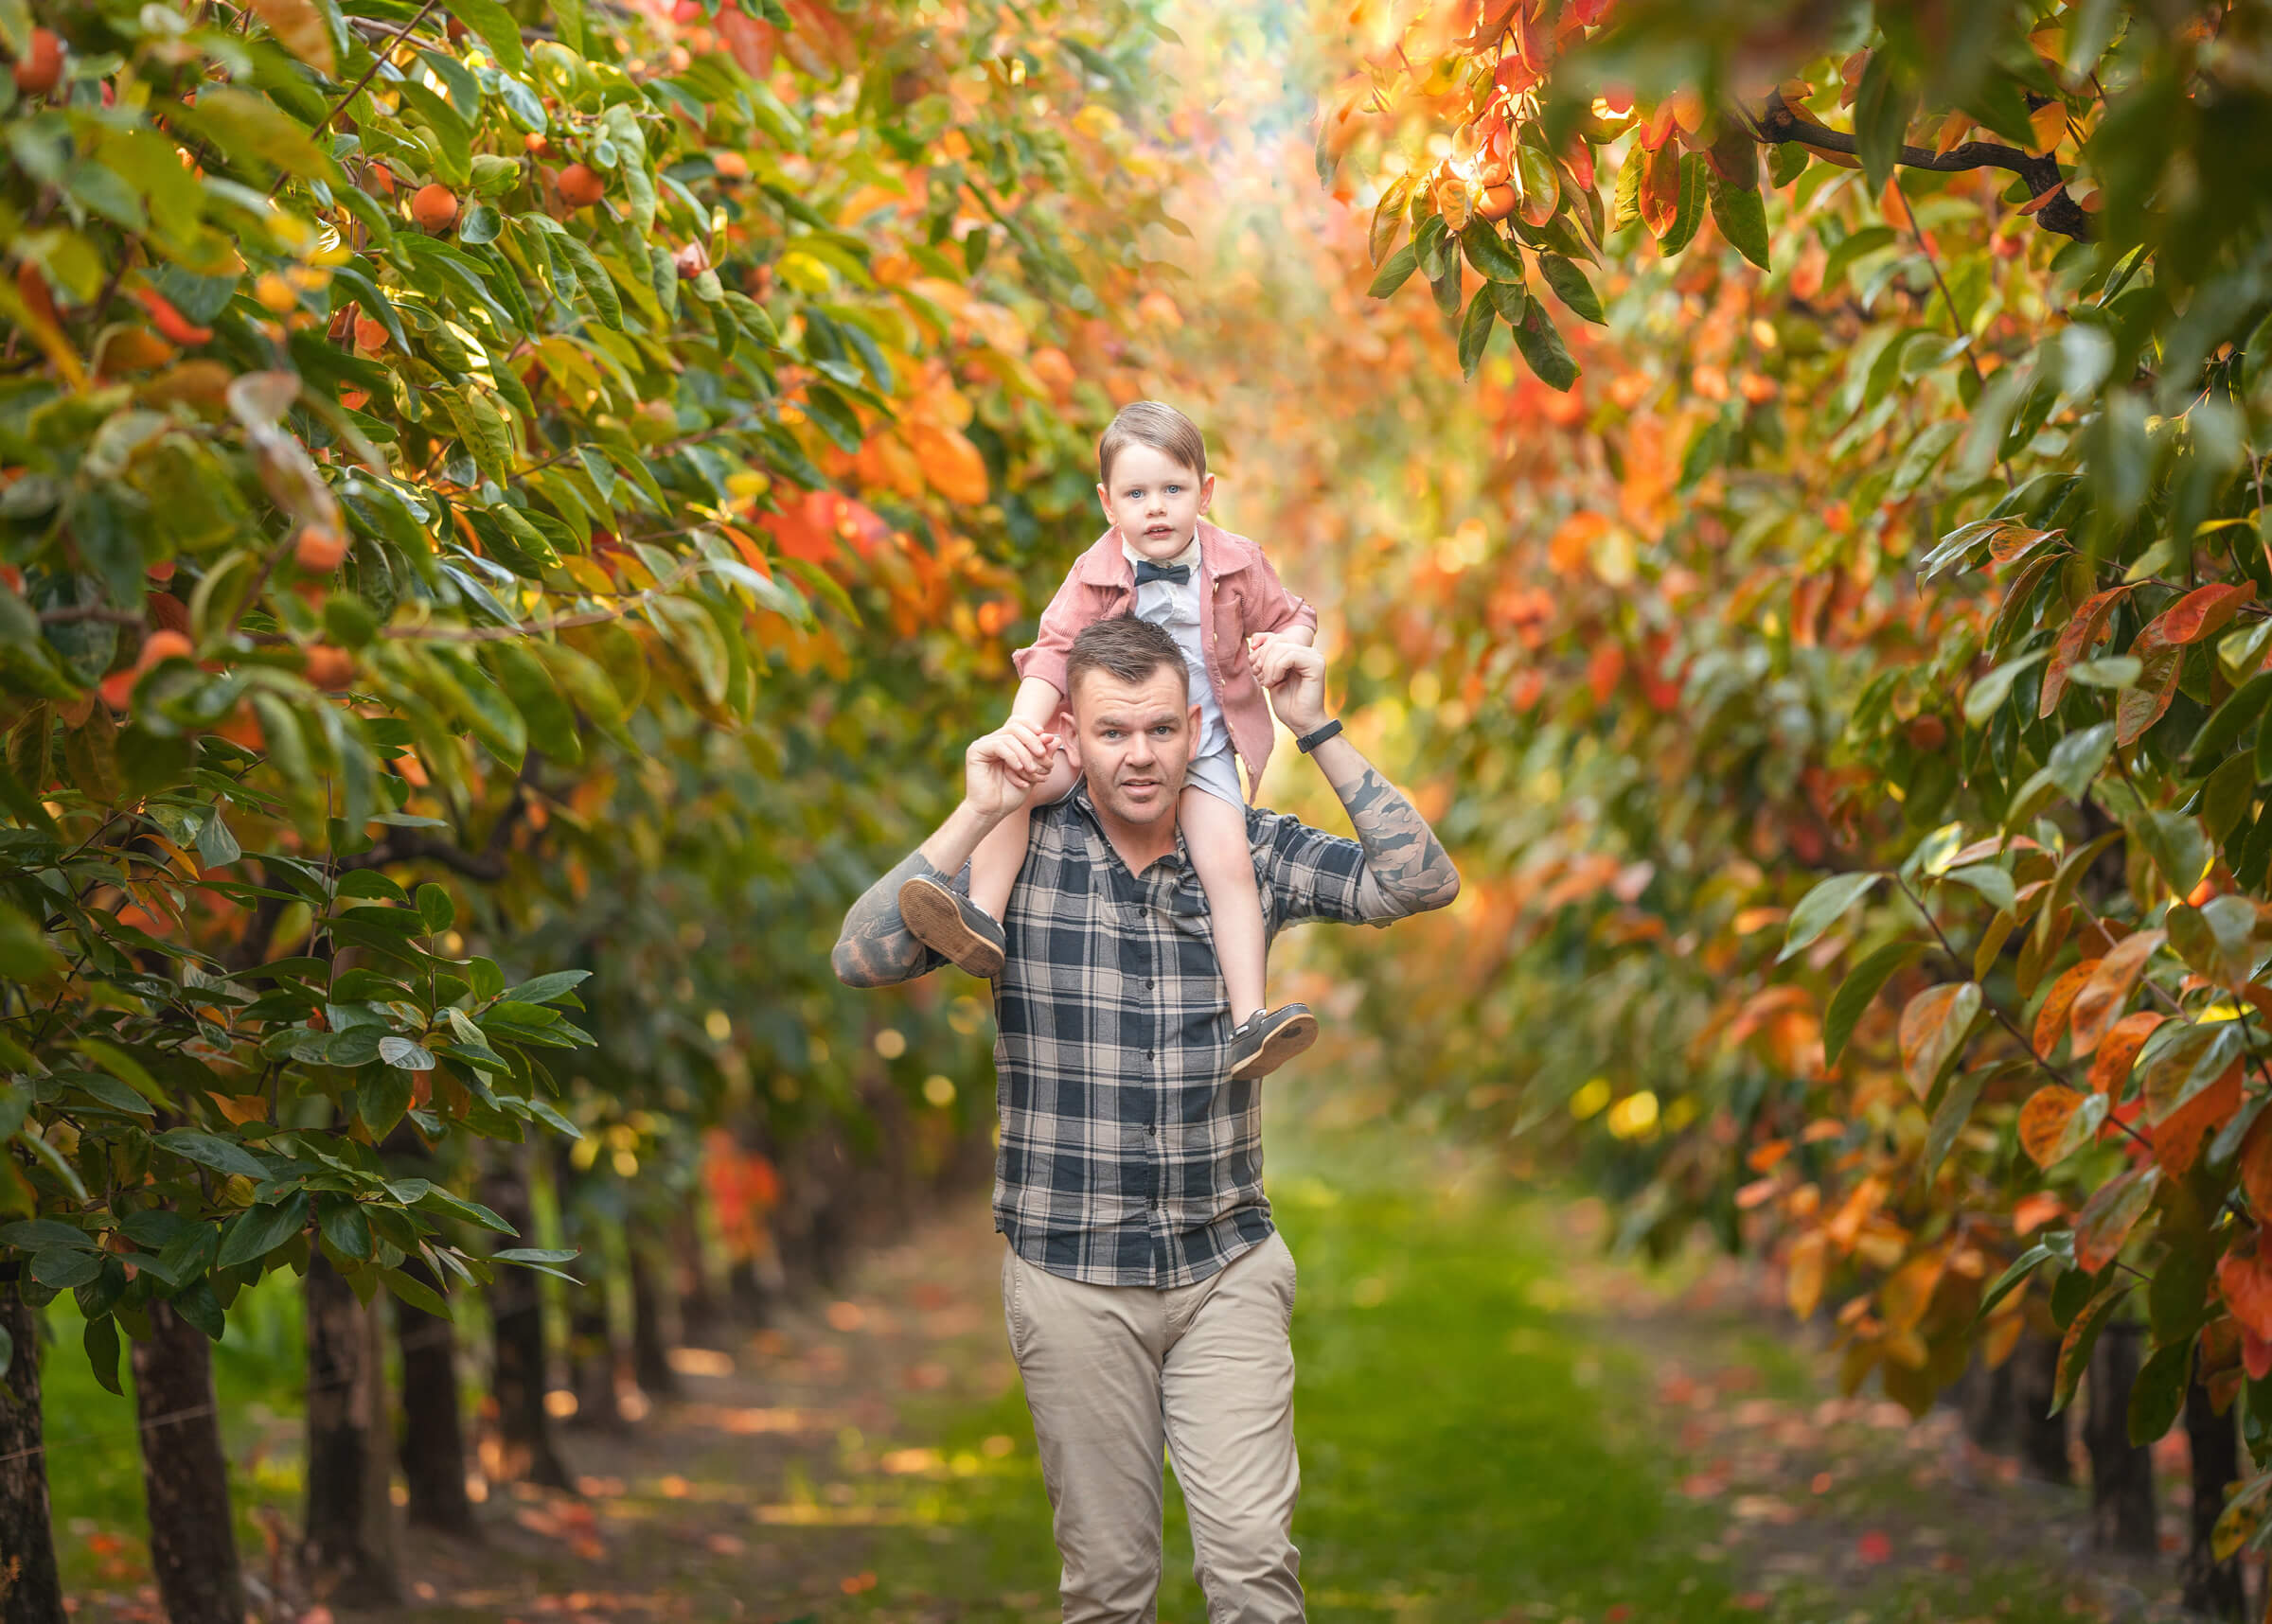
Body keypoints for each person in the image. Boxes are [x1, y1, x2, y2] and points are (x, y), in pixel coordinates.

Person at [833, 614, 1460, 1624]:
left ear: (1194, 730)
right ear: (1070, 736)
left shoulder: (1240, 848)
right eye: (1114, 733)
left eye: (1162, 731)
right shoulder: (1018, 847)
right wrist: (972, 811)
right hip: (1071, 1275)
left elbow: (1419, 880)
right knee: (1110, 1589)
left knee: (1257, 1570)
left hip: (1226, 1268)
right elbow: (863, 957)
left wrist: (1315, 726)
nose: (1140, 756)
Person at [895, 400, 1322, 1081]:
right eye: (1136, 494)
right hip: (1103, 738)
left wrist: (1284, 647)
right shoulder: (1091, 572)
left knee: (1229, 866)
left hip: (1201, 743)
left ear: (1205, 492)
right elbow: (1052, 653)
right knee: (1019, 783)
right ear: (1108, 503)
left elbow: (1295, 614)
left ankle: (1249, 1024)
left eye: (1173, 490)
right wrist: (1024, 730)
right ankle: (983, 918)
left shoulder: (1239, 562)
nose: (1156, 508)